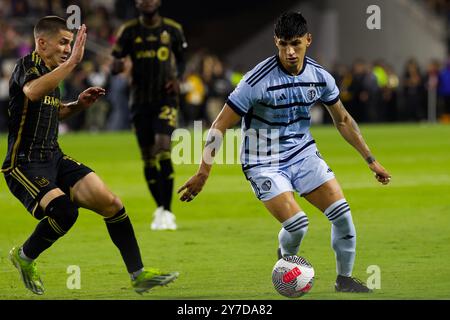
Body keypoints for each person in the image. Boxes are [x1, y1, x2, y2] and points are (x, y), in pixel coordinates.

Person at [178, 12, 391, 293]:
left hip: (303, 154)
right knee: (298, 225)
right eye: (283, 45)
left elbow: (343, 120)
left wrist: (371, 161)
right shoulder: (256, 81)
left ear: (308, 40)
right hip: (263, 161)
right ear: (275, 42)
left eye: (296, 44)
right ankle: (284, 258)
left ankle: (344, 279)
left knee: (342, 215)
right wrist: (203, 171)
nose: (290, 52)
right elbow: (219, 125)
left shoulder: (319, 77)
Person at [2, 16, 178, 295]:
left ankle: (138, 274)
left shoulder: (51, 71)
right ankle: (24, 257)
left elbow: (53, 110)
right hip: (24, 163)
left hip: (54, 158)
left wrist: (78, 104)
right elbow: (33, 92)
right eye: (62, 43)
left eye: (69, 44)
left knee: (112, 204)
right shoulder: (28, 66)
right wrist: (73, 63)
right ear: (41, 42)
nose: (66, 49)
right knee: (65, 212)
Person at [111, 0, 187, 231]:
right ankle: (160, 209)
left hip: (165, 98)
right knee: (147, 157)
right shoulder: (128, 31)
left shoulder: (173, 29)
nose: (147, 1)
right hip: (140, 101)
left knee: (163, 147)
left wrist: (177, 79)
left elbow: (182, 59)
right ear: (137, 3)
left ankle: (168, 211)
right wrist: (117, 66)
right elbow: (115, 62)